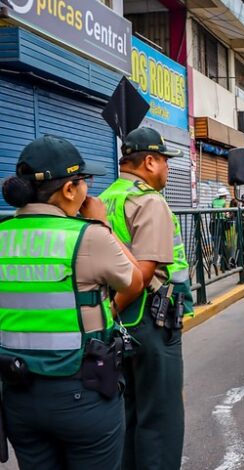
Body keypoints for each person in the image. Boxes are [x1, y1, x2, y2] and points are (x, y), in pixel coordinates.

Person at [0, 135, 143, 469]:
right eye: (84, 182)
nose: (87, 190)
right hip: (82, 396)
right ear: (68, 190)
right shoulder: (87, 236)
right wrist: (102, 224)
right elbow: (136, 280)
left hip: (18, 398)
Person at [99, 127, 194, 469]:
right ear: (150, 161)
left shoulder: (107, 196)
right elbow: (141, 274)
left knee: (128, 411)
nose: (168, 168)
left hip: (118, 323)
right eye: (165, 161)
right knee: (161, 417)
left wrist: (108, 316)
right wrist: (113, 309)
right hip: (151, 319)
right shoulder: (148, 200)